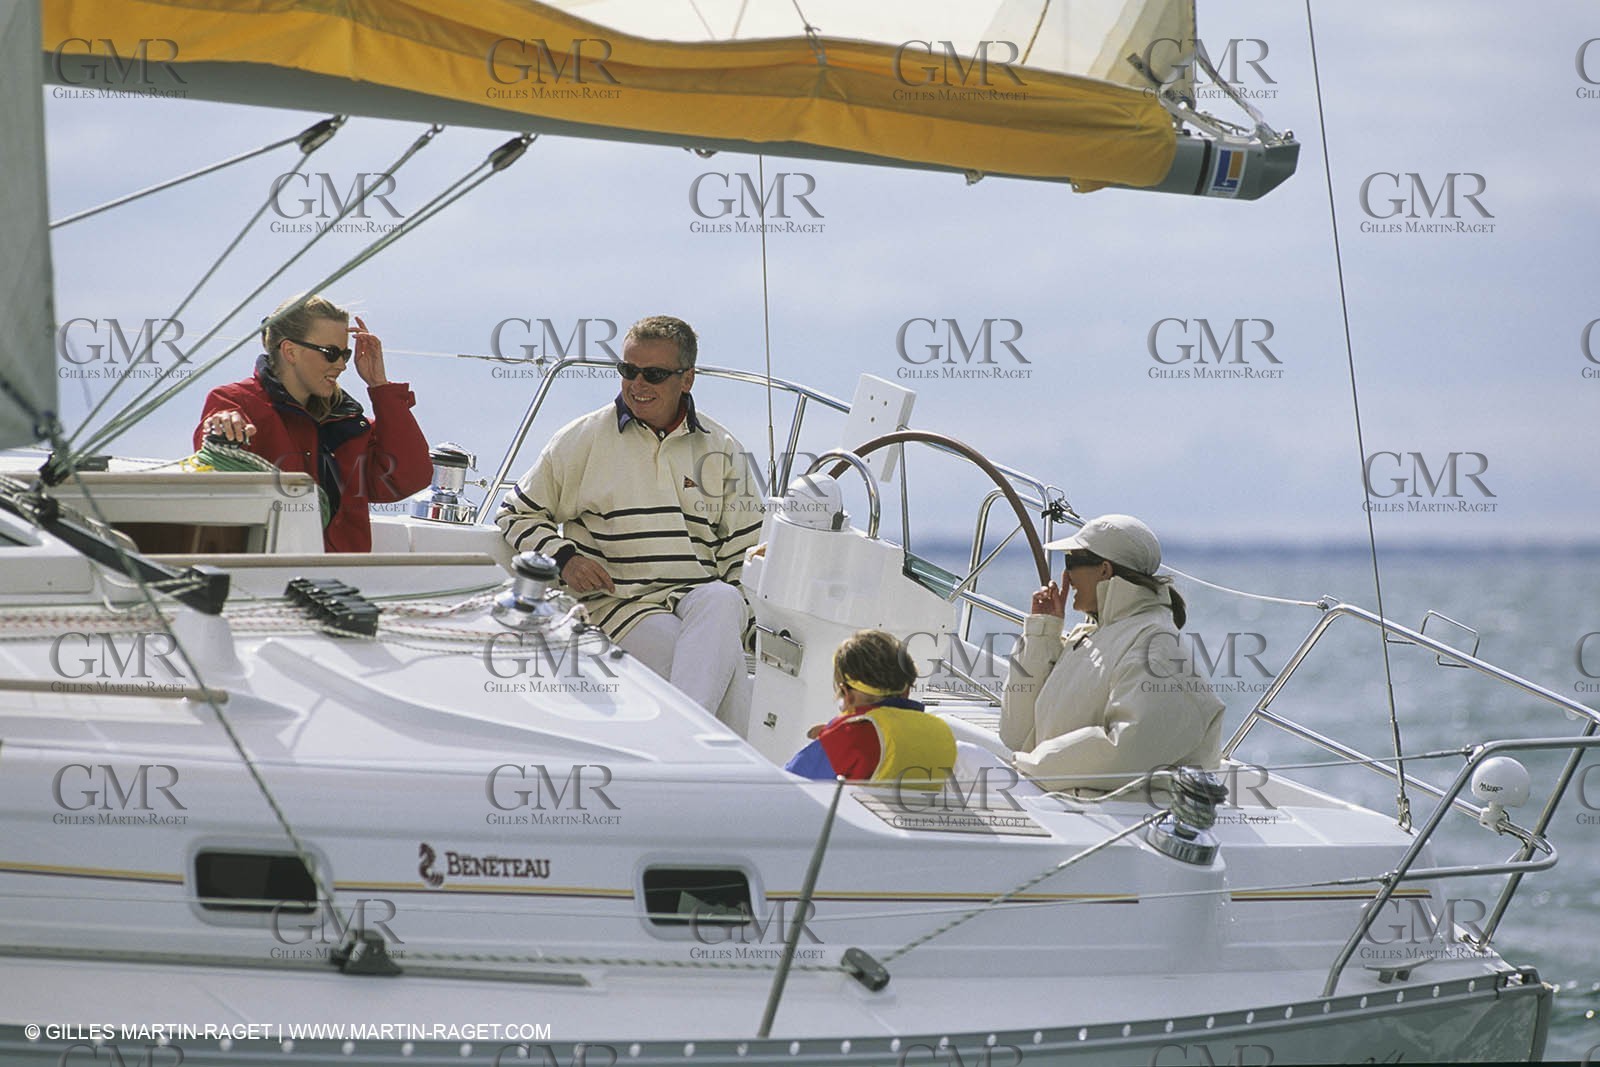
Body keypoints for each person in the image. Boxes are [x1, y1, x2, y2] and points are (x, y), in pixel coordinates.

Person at [495, 315, 762, 724]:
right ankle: (702, 759)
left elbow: (743, 558)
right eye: (628, 370)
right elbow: (515, 512)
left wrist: (755, 638)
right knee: (718, 675)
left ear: (686, 379)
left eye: (653, 374)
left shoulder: (722, 448)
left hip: (697, 602)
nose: (637, 384)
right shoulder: (583, 438)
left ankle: (684, 752)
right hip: (619, 605)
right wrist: (566, 559)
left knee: (724, 600)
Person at [1000, 514, 1224, 791]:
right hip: (1067, 801)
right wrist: (1043, 632)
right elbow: (1017, 732)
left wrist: (1029, 767)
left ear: (1104, 570)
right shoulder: (1092, 638)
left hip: (1123, 822)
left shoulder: (1156, 645)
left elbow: (1126, 752)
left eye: (1071, 562)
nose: (1065, 576)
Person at [194, 294, 431, 552]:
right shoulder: (236, 403)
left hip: (343, 580)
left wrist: (380, 386)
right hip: (268, 577)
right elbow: (214, 462)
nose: (341, 365)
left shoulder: (348, 420)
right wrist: (222, 426)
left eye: (345, 354)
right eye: (331, 353)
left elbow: (408, 477)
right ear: (290, 351)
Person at [786, 629, 955, 785]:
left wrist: (834, 737)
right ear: (907, 690)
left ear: (846, 693)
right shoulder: (941, 734)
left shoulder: (847, 739)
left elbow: (784, 787)